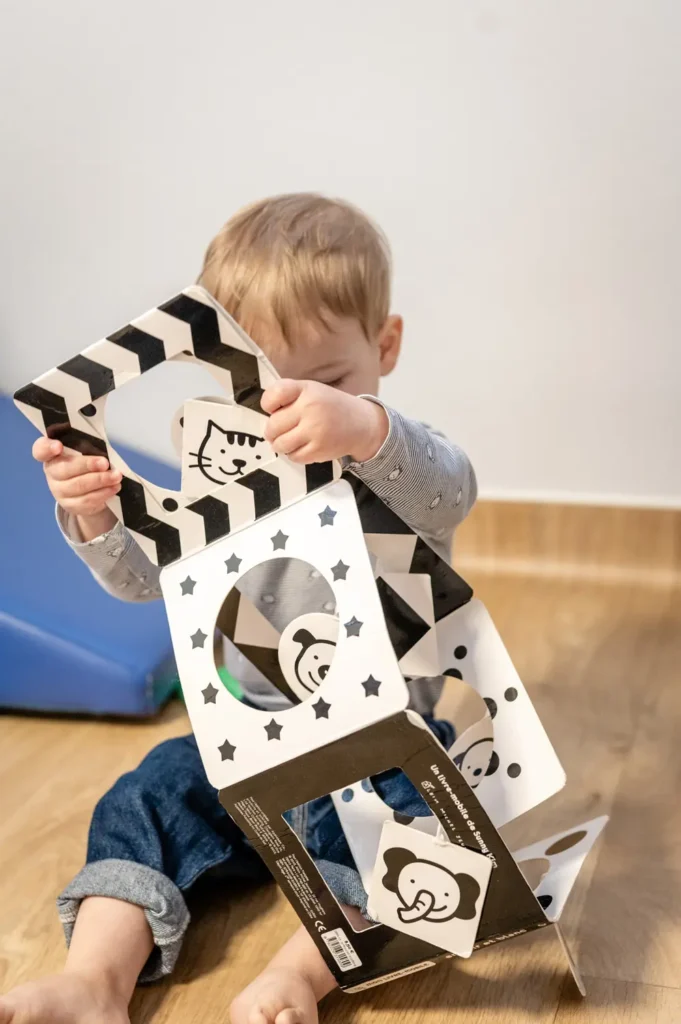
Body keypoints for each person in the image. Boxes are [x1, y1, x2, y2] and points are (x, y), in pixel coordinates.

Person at [0, 194, 477, 1024]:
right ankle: (95, 980)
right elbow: (140, 582)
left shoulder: (394, 463)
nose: (290, 417)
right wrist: (91, 514)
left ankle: (302, 972)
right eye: (260, 390)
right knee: (145, 796)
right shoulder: (223, 479)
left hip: (374, 740)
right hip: (245, 743)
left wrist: (362, 427)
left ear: (385, 346)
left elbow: (452, 486)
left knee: (429, 826)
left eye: (324, 382)